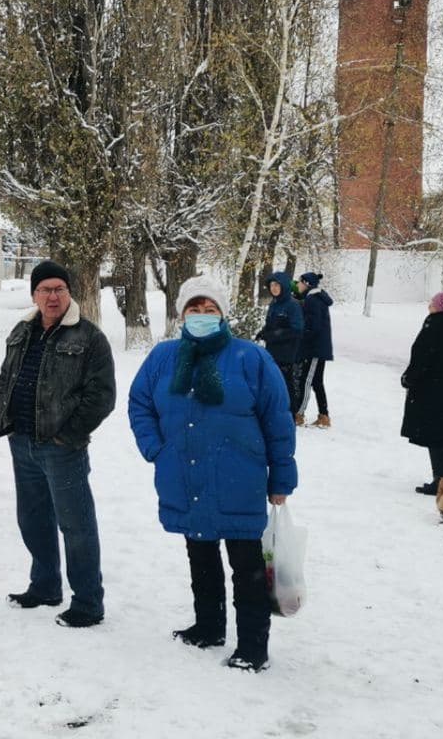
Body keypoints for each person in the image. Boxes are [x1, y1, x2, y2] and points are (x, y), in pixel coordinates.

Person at [128, 275, 297, 672]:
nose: (202, 317)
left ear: (222, 315)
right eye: (194, 309)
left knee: (247, 567)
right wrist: (156, 448)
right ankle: (208, 626)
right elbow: (139, 405)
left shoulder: (250, 357)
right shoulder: (163, 357)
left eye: (210, 310)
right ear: (182, 313)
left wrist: (281, 479)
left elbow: (277, 419)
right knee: (199, 554)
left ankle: (253, 646)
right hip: (184, 475)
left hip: (240, 477)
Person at [0, 260, 115, 627]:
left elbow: (102, 396)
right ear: (34, 294)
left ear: (69, 293)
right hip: (23, 443)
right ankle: (45, 585)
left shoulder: (89, 337)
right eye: (45, 289)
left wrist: (70, 435)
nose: (52, 296)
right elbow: (7, 376)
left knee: (76, 525)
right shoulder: (22, 330)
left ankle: (88, 603)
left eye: (59, 289)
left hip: (62, 448)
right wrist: (11, 422)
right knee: (32, 520)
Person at [401, 291, 443, 496]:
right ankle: (442, 478)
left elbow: (422, 357)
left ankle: (440, 480)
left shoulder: (435, 326)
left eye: (433, 303)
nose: (429, 305)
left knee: (435, 436)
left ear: (442, 308)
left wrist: (409, 378)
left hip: (430, 389)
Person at [255, 271, 304, 422]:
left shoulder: (292, 305)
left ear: (284, 286)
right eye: (271, 285)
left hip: (287, 351)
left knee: (285, 380)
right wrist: (263, 332)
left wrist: (276, 335)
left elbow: (297, 329)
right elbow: (270, 325)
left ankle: (292, 413)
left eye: (277, 285)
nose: (274, 288)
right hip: (272, 349)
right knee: (271, 380)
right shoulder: (274, 304)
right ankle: (274, 409)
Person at [296, 271, 333, 428]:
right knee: (317, 382)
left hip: (315, 349)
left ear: (307, 284)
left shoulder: (313, 300)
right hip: (318, 348)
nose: (297, 285)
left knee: (306, 381)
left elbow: (313, 326)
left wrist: (303, 336)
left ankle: (298, 414)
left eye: (300, 282)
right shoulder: (314, 299)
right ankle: (324, 416)